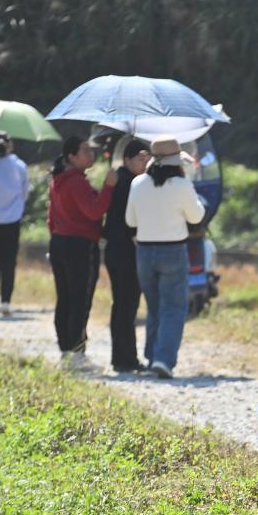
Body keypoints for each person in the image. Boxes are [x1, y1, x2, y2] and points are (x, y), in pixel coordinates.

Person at [125, 135, 205, 379]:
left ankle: (151, 358)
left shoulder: (138, 183)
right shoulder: (181, 185)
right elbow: (196, 217)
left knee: (155, 307)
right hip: (173, 250)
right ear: (175, 160)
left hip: (145, 251)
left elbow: (130, 221)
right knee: (174, 307)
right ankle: (163, 359)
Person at [47, 136, 118, 368]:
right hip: (79, 244)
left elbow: (51, 218)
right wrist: (108, 187)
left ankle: (66, 351)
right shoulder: (76, 181)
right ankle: (77, 354)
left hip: (59, 242)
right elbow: (94, 211)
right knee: (80, 300)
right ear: (71, 156)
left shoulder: (57, 179)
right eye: (85, 150)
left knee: (65, 298)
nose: (91, 154)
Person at [103, 139, 150, 372]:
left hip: (116, 250)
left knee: (122, 304)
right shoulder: (129, 182)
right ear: (128, 159)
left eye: (147, 158)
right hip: (124, 250)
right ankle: (125, 359)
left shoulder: (124, 179)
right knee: (126, 304)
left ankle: (122, 357)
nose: (145, 163)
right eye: (141, 158)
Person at [0, 131, 29, 317]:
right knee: (8, 262)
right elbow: (24, 193)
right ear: (10, 145)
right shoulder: (19, 166)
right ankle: (6, 301)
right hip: (12, 220)